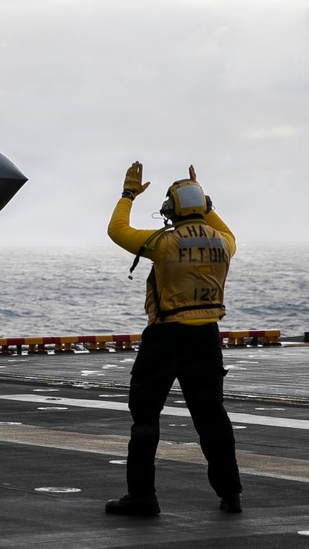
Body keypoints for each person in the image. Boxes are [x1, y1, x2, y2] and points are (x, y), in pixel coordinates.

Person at [105, 162, 242, 516]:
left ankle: (143, 497)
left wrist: (128, 195)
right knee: (212, 418)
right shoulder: (225, 243)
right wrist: (201, 199)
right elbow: (216, 222)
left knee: (146, 420)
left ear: (170, 210)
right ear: (205, 206)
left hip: (165, 337)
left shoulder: (163, 242)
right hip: (207, 339)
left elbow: (117, 230)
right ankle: (231, 495)